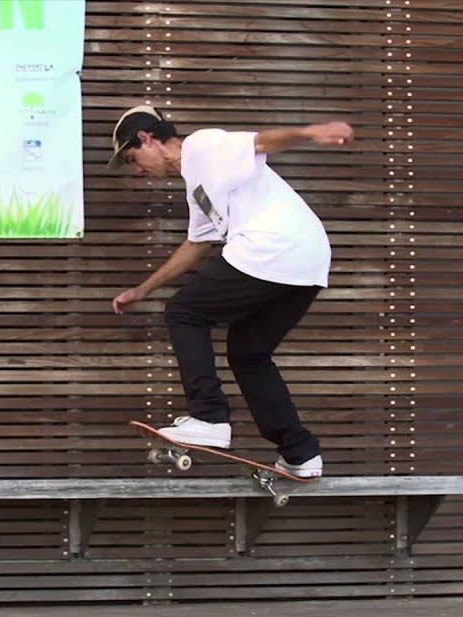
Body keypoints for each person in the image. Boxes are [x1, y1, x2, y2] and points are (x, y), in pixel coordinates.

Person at [107, 105, 353, 478]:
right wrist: (143, 290)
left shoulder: (202, 146)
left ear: (148, 138)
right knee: (249, 354)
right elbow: (197, 244)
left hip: (272, 247)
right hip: (306, 260)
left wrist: (311, 133)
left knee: (184, 313)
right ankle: (300, 453)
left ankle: (209, 418)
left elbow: (260, 142)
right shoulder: (198, 187)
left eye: (132, 159)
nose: (138, 171)